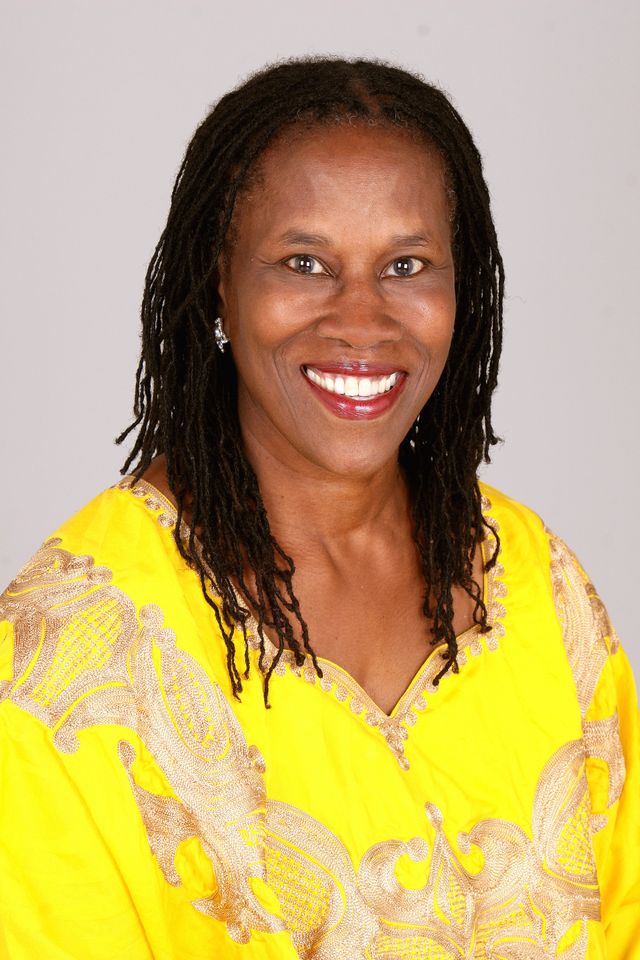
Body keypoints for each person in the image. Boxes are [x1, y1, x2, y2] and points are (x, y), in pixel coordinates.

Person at [0, 56, 638, 960]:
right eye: (305, 263)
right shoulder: (71, 656)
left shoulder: (539, 581)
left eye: (407, 265)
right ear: (219, 281)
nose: (362, 320)